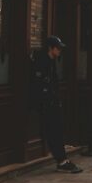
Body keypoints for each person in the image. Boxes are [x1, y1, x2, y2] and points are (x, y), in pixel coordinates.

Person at [30, 36, 82, 174]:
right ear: (50, 48)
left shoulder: (51, 61)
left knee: (57, 131)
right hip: (47, 104)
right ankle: (61, 161)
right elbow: (40, 85)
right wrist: (47, 101)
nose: (59, 50)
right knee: (54, 132)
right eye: (57, 48)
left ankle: (62, 160)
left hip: (52, 103)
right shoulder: (42, 62)